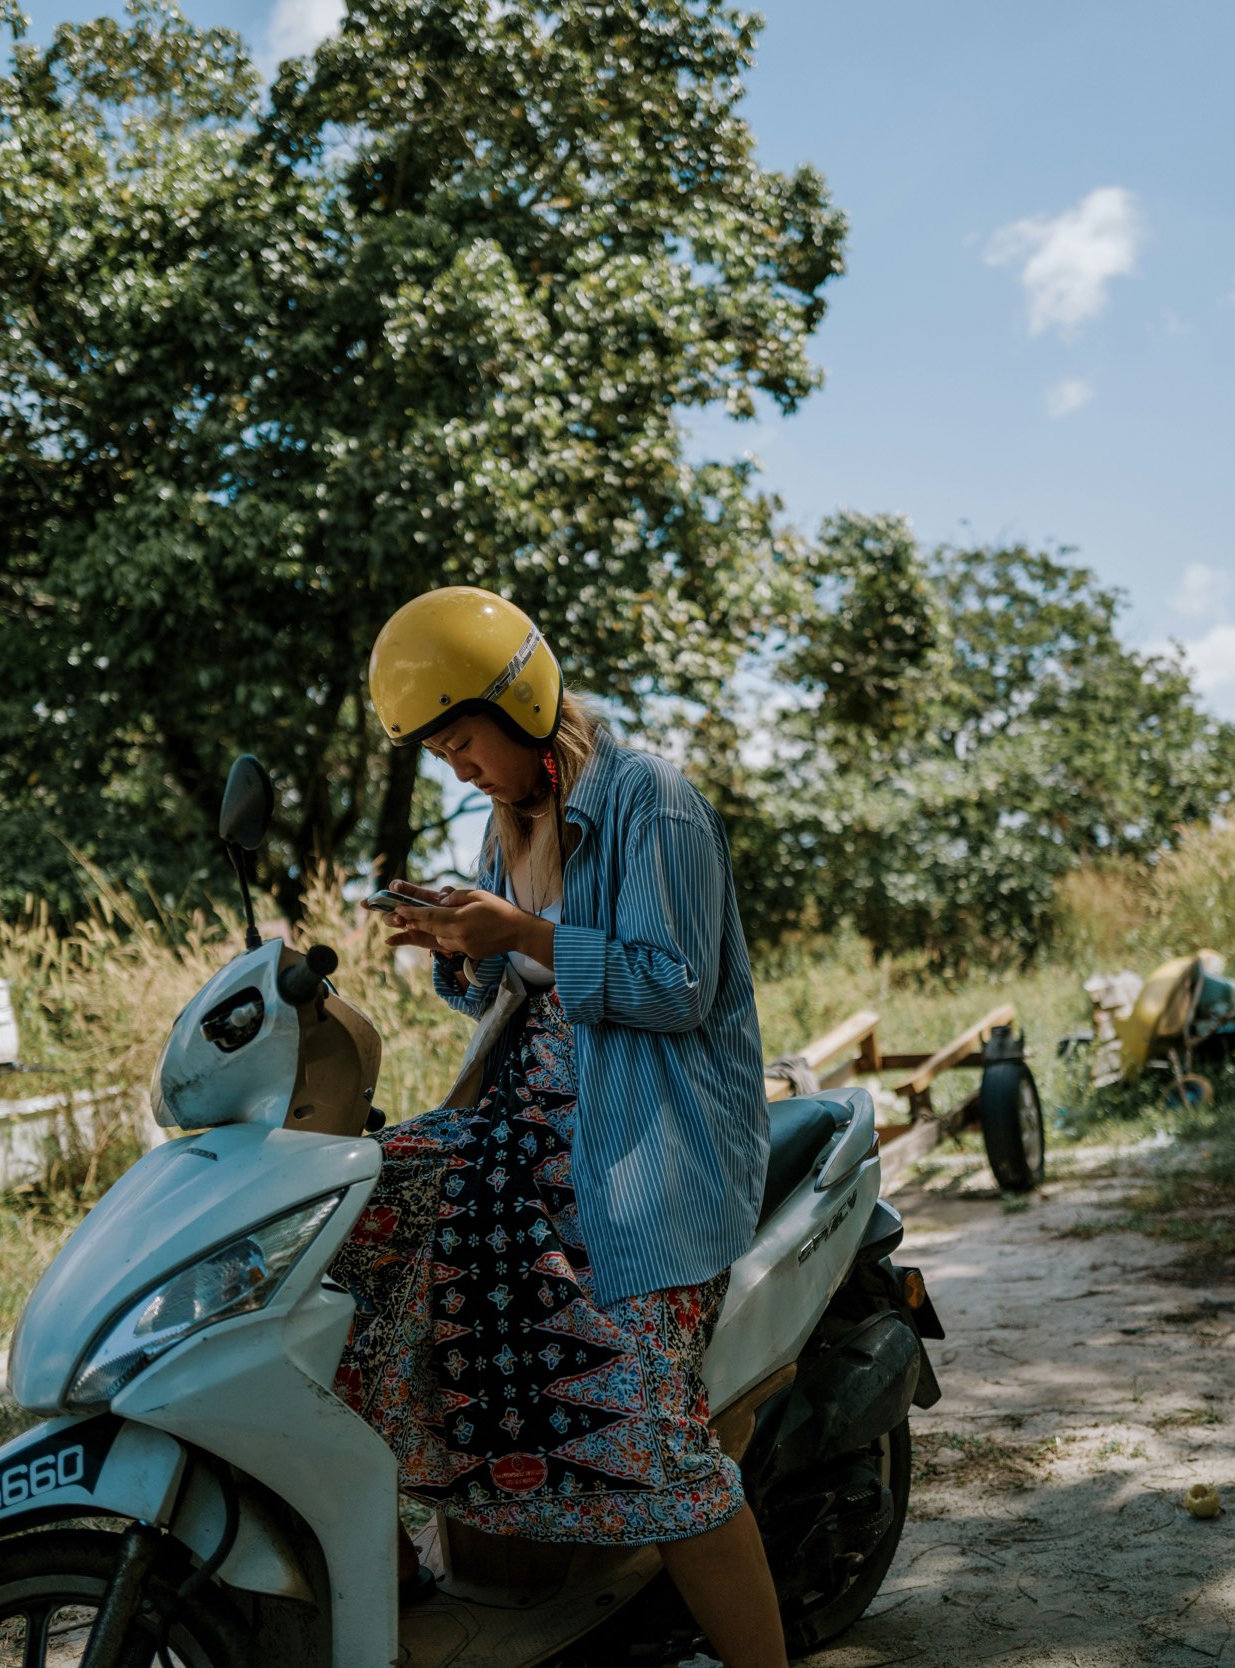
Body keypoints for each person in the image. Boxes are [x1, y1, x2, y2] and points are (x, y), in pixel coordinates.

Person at [327, 586, 783, 1668]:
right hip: (525, 1126)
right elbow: (513, 988)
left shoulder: (649, 802)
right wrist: (460, 948)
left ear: (519, 703)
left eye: (462, 739)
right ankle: (403, 1582)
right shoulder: (504, 826)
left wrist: (519, 926)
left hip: (647, 1148)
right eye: (438, 752)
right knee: (342, 1212)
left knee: (639, 1420)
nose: (458, 767)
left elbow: (675, 987)